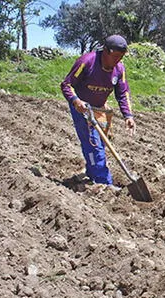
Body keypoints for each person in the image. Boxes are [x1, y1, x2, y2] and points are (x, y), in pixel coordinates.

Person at [60, 34, 136, 187]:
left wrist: (128, 115)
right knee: (94, 144)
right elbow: (66, 85)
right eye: (115, 56)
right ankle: (104, 183)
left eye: (121, 57)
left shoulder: (119, 69)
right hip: (81, 108)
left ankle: (92, 171)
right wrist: (76, 101)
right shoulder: (87, 61)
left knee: (99, 142)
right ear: (106, 51)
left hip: (99, 108)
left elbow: (123, 93)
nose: (117, 60)